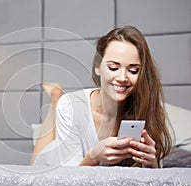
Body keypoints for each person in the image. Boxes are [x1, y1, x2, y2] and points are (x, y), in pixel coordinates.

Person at [31, 26, 173, 168]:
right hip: (55, 166)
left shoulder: (147, 109)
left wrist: (151, 161)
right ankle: (55, 101)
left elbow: (153, 181)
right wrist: (94, 156)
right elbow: (70, 182)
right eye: (113, 68)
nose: (122, 78)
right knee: (37, 160)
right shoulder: (71, 105)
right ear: (97, 67)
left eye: (133, 70)